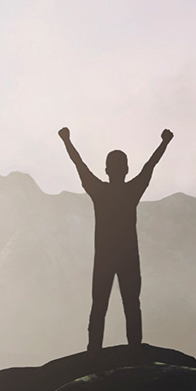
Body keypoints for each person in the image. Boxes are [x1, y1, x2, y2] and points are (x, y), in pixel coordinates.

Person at [59, 126, 174, 350]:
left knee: (100, 306)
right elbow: (150, 166)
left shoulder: (99, 191)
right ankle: (134, 351)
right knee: (131, 305)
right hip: (128, 257)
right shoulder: (132, 190)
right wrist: (164, 142)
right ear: (127, 169)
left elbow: (79, 164)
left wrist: (67, 140)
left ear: (106, 169)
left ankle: (94, 352)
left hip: (105, 258)